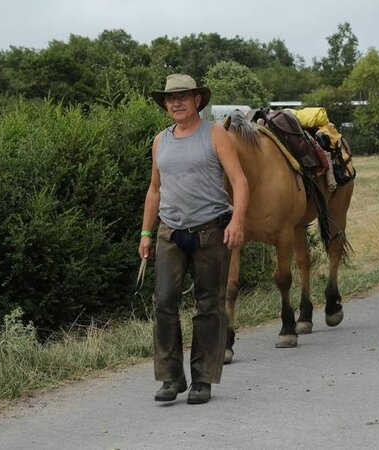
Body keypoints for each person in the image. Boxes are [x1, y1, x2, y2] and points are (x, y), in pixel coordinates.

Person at [139, 74, 249, 404]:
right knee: (164, 302)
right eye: (170, 98)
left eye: (182, 96)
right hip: (170, 232)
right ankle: (171, 378)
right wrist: (146, 233)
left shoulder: (215, 135)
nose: (175, 103)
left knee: (209, 306)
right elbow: (154, 190)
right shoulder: (161, 140)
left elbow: (240, 182)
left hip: (212, 231)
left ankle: (203, 379)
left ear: (196, 100)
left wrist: (238, 221)